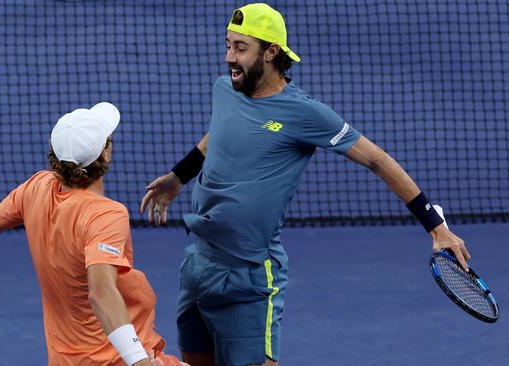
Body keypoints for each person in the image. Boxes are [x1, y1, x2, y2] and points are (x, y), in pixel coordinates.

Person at [140, 3, 471, 366]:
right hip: (198, 264)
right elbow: (217, 132)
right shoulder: (225, 90)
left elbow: (377, 159)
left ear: (271, 52)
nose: (228, 57)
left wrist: (435, 226)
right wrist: (178, 176)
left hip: (251, 275)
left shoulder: (305, 113)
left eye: (240, 48)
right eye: (228, 45)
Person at [0, 103, 187, 366]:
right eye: (109, 141)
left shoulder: (35, 187)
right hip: (115, 360)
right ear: (105, 155)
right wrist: (139, 361)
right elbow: (101, 293)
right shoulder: (106, 215)